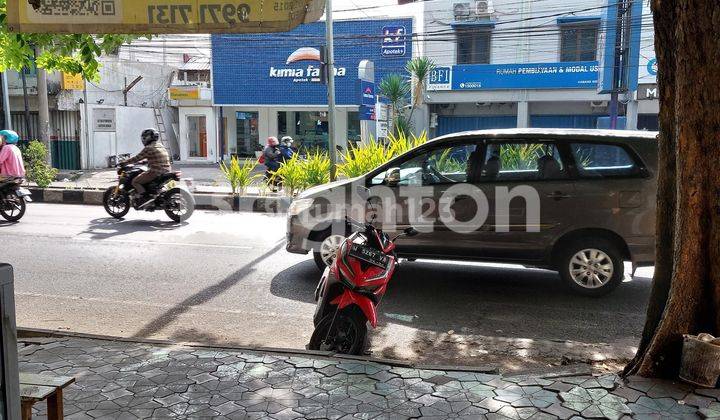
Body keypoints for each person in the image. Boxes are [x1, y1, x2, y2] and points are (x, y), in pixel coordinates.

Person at [121, 128, 171, 206]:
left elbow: (136, 158)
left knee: (135, 181)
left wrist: (124, 163)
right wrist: (144, 161)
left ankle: (145, 198)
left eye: (144, 137)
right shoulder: (160, 145)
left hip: (156, 172)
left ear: (147, 138)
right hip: (167, 170)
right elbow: (156, 158)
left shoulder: (148, 148)